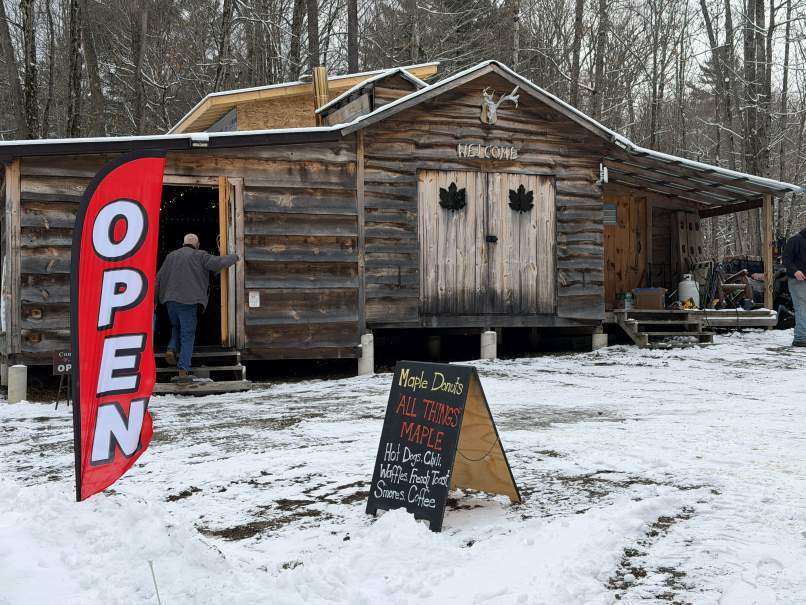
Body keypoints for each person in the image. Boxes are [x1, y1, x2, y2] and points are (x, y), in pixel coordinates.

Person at [155, 233, 238, 381]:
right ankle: (183, 371)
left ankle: (171, 348)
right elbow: (217, 264)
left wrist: (155, 300)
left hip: (170, 301)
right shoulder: (200, 255)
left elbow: (159, 278)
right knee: (188, 335)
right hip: (188, 302)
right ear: (197, 244)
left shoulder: (171, 256)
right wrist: (235, 257)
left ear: (183, 244)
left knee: (176, 327)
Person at [782, 228, 806, 346]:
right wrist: (795, 271)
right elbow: (786, 259)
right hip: (798, 281)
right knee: (801, 308)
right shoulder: (795, 240)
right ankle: (800, 338)